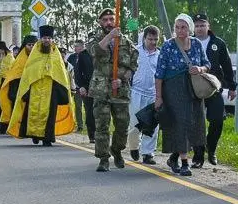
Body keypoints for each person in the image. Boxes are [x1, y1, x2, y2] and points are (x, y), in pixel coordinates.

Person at [155, 14, 209, 177]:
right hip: (173, 89)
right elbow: (159, 73)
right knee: (181, 123)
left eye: (183, 27)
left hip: (193, 89)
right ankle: (185, 163)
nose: (180, 30)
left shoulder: (197, 44)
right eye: (177, 27)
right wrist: (159, 96)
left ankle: (174, 157)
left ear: (190, 28)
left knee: (194, 123)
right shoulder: (168, 46)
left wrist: (200, 69)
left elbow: (207, 64)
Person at [7, 25, 75, 146]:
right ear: (40, 39)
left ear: (52, 39)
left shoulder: (56, 54)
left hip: (51, 90)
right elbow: (29, 72)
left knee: (50, 115)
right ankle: (34, 134)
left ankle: (47, 138)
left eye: (49, 38)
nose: (46, 40)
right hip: (35, 89)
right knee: (33, 112)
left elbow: (60, 73)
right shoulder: (35, 54)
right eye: (44, 38)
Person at [89, 9, 138, 172]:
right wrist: (110, 36)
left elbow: (133, 66)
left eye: (111, 19)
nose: (109, 22)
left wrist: (123, 77)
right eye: (105, 20)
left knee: (122, 125)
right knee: (101, 125)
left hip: (120, 90)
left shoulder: (126, 42)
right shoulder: (95, 38)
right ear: (100, 22)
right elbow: (95, 51)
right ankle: (103, 159)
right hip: (101, 89)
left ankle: (116, 150)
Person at [191, 13, 236, 168]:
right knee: (197, 123)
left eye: (202, 25)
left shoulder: (218, 43)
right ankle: (198, 155)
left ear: (208, 26)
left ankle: (211, 148)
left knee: (217, 120)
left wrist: (232, 86)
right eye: (197, 25)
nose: (199, 28)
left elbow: (227, 65)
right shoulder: (189, 42)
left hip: (213, 87)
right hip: (194, 89)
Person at [128, 26, 161, 165]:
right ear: (144, 38)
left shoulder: (160, 54)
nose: (153, 42)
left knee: (151, 125)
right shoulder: (135, 51)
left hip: (153, 94)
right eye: (150, 39)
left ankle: (148, 153)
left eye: (155, 39)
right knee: (135, 124)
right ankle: (134, 146)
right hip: (136, 92)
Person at [0, 34, 36, 132]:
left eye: (33, 45)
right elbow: (15, 75)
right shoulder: (19, 59)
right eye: (29, 45)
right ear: (25, 46)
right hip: (20, 88)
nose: (31, 47)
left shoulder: (40, 57)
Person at [72, 38, 96, 145]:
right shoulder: (83, 55)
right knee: (90, 111)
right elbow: (77, 72)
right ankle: (92, 135)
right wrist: (81, 86)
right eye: (90, 42)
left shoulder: (103, 53)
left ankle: (101, 134)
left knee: (101, 112)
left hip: (102, 87)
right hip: (87, 88)